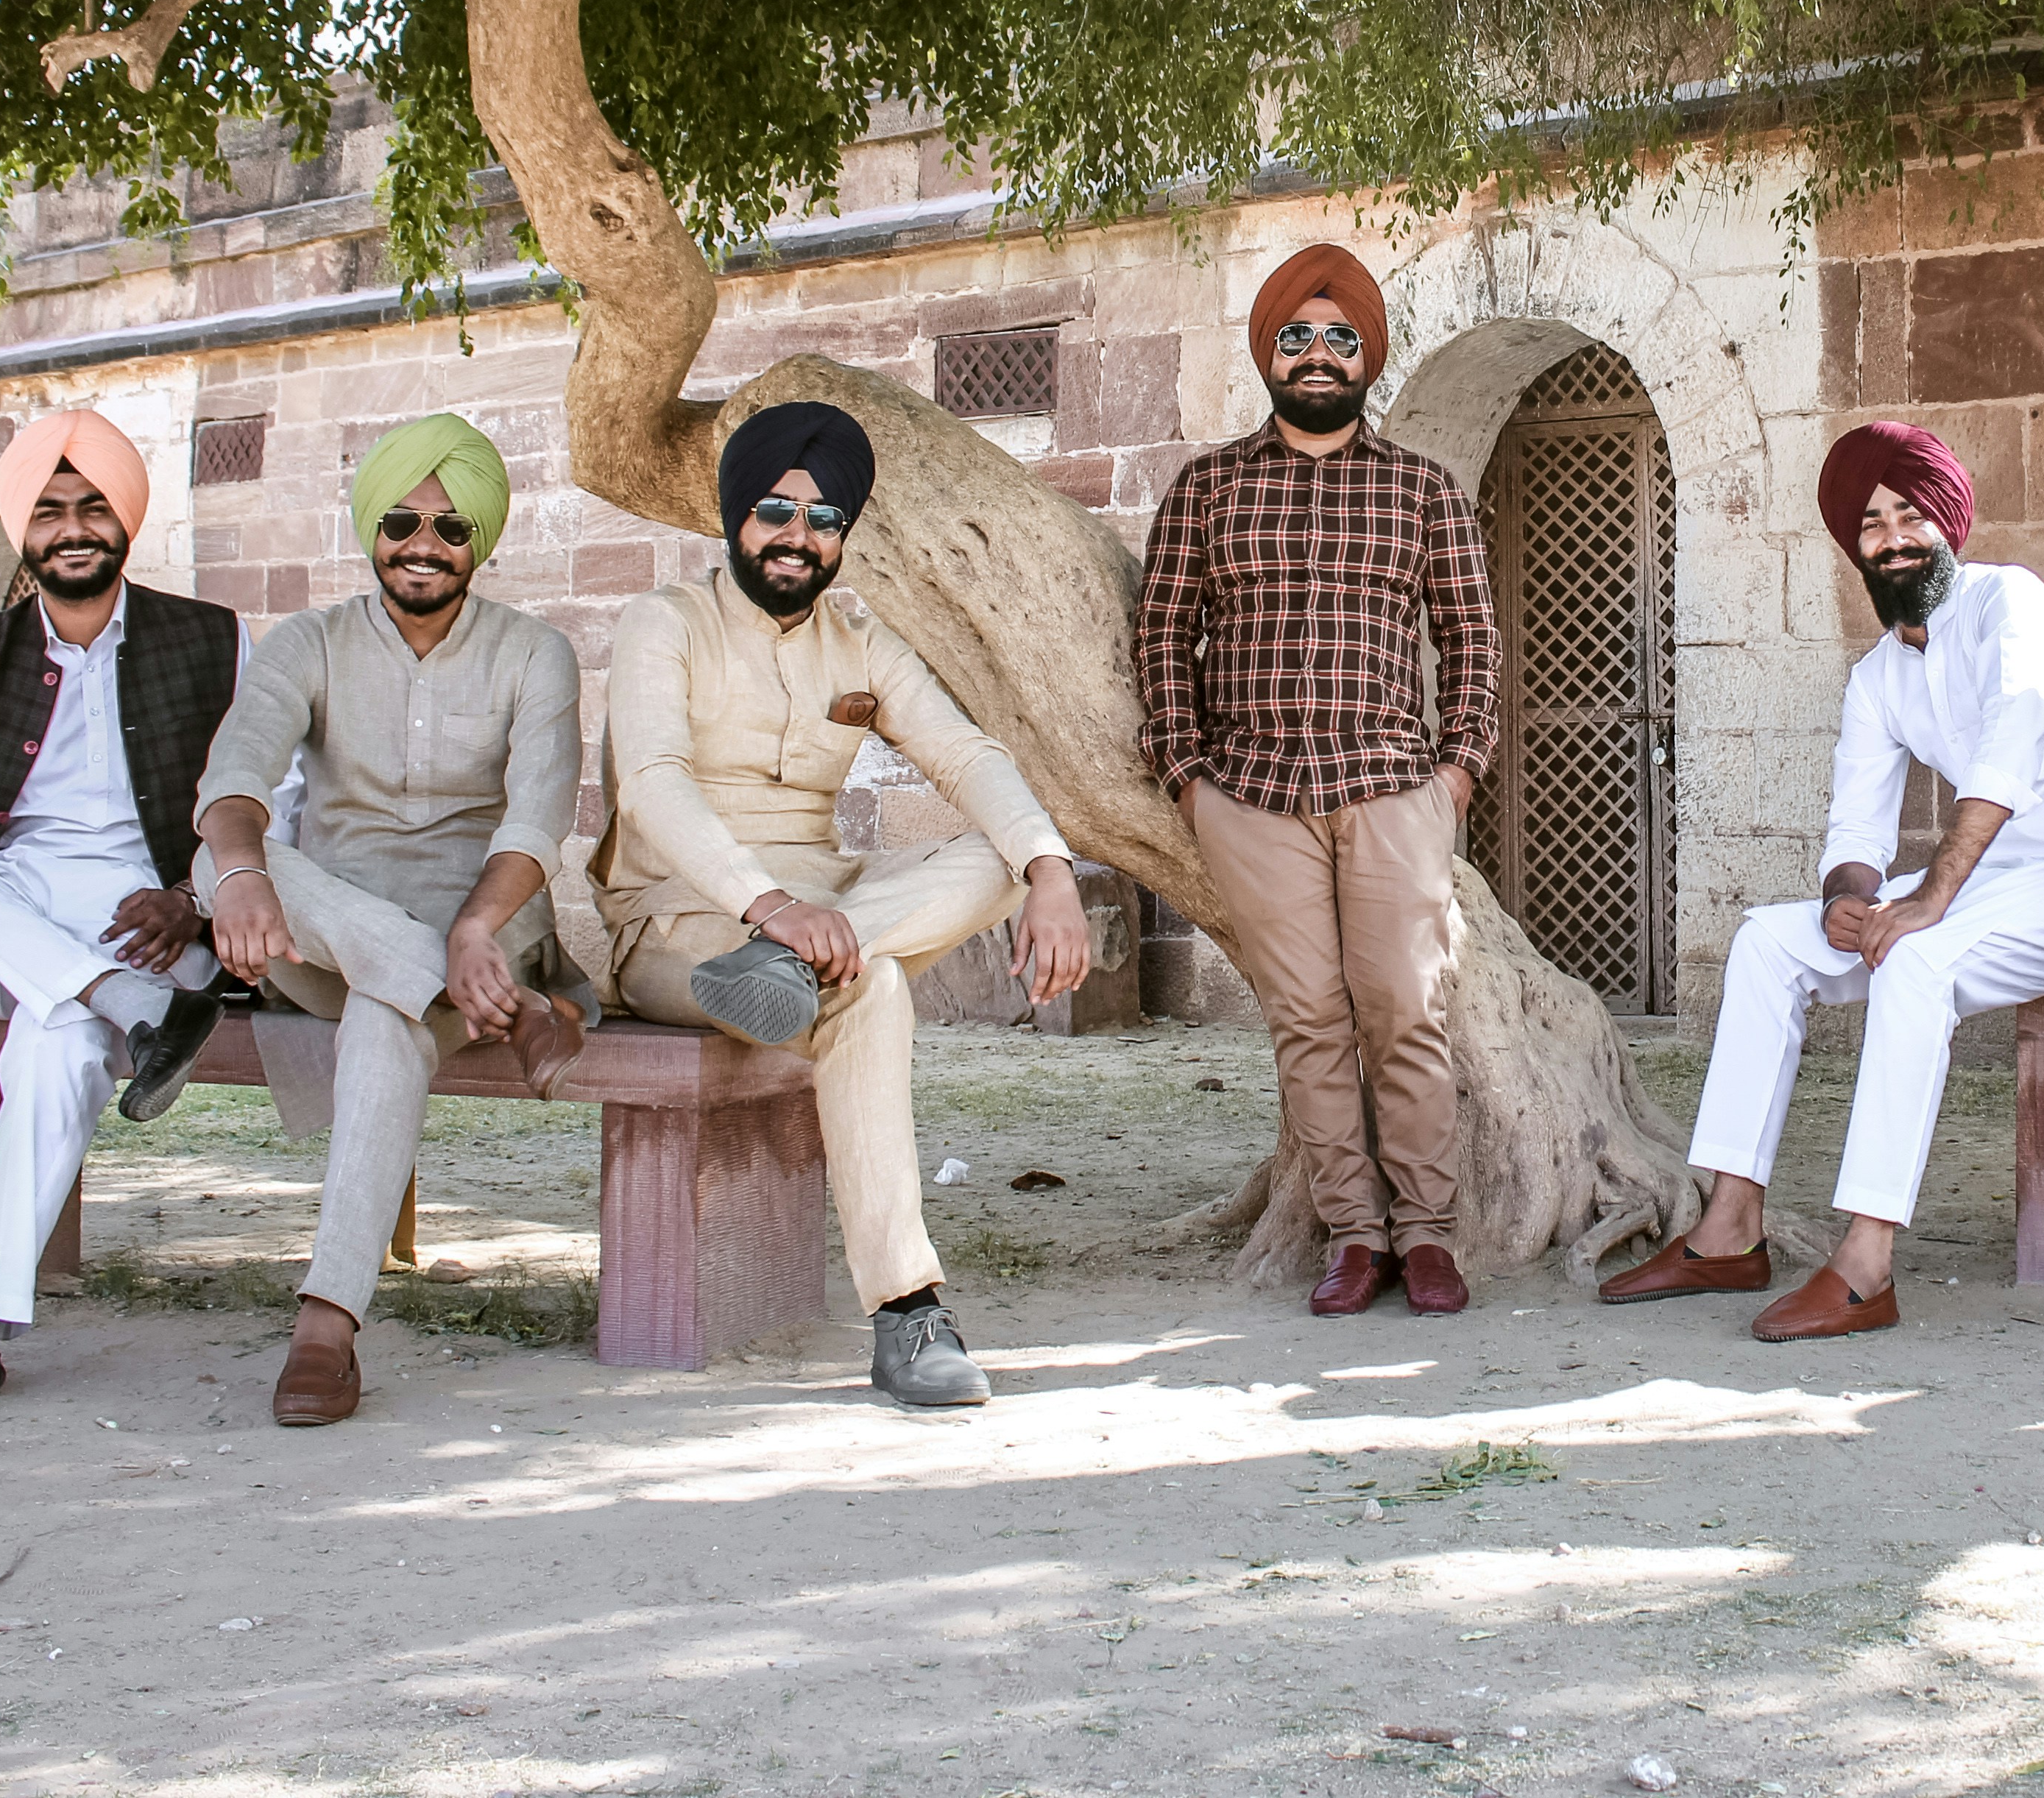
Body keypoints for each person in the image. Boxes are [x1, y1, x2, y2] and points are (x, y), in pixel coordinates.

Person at [1601, 424, 2044, 1339]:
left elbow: (2009, 754)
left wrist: (1927, 898)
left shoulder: (2009, 602)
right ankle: (1730, 1226)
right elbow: (1857, 826)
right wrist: (1845, 900)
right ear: (1853, 546)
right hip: (1989, 892)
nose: (1895, 536)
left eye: (1912, 514)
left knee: (1917, 959)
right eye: (1872, 523)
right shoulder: (1878, 678)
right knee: (1770, 942)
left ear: (1947, 521)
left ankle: (1866, 1264)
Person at [593, 399, 1094, 1407]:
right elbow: (652, 784)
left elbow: (964, 754)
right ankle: (908, 1312)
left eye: (824, 521)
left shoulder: (859, 637)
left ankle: (806, 963)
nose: (799, 537)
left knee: (998, 856)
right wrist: (767, 906)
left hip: (819, 918)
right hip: (681, 917)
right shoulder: (665, 623)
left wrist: (1051, 870)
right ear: (737, 515)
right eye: (777, 510)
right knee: (872, 995)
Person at [191, 414, 586, 1426]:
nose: (423, 543)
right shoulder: (309, 643)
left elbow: (539, 819)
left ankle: (326, 1322)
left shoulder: (536, 654)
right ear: (372, 525)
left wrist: (470, 932)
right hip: (338, 932)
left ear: (481, 540)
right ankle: (501, 1002)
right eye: (403, 521)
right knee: (214, 855)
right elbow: (236, 778)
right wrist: (239, 875)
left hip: (487, 930)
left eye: (452, 528)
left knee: (386, 1012)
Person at [1134, 244, 1502, 1319]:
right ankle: (1354, 1234)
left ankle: (1428, 1234)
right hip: (1250, 795)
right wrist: (1189, 777)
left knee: (1404, 1006)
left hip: (1394, 789)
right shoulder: (1208, 488)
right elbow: (1163, 639)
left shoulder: (1420, 487)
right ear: (1271, 355)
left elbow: (1472, 642)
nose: (1319, 354)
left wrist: (1457, 777)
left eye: (1341, 338)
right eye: (1297, 336)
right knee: (1307, 1018)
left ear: (1366, 358)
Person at [0, 411, 240, 1403]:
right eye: (51, 509)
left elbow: (271, 793)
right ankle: (126, 1006)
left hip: (150, 912)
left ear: (125, 522)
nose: (73, 526)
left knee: (56, 1048)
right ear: (25, 529)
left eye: (93, 506)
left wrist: (192, 898)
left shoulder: (209, 639)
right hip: (12, 903)